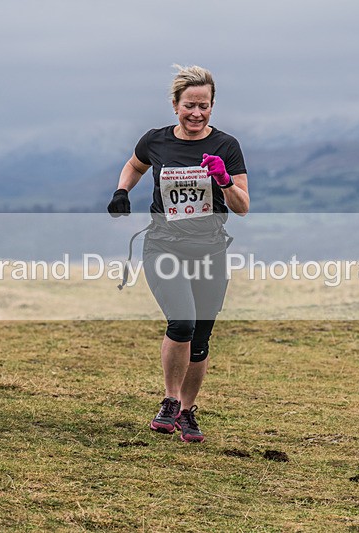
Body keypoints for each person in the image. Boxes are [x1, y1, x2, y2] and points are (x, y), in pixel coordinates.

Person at [107, 65, 249, 443]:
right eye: (189, 105)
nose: (196, 113)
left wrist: (223, 179)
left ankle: (187, 412)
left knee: (200, 337)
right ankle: (169, 401)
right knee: (182, 322)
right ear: (175, 105)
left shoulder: (227, 146)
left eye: (204, 106)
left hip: (210, 249)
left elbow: (243, 206)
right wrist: (122, 191)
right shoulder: (156, 140)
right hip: (164, 244)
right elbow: (135, 164)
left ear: (212, 106)